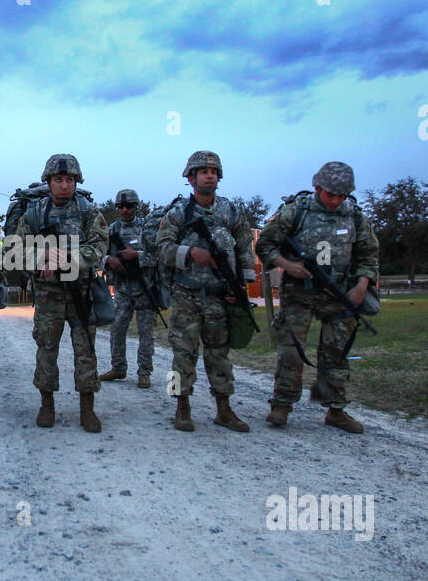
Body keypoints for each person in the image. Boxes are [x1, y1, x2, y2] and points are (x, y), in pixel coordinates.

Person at [256, 161, 380, 432]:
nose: (335, 200)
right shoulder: (295, 212)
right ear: (317, 188)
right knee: (291, 352)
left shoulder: (355, 216)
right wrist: (288, 266)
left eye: (341, 195)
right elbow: (265, 244)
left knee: (336, 352)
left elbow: (368, 254)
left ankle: (335, 409)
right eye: (330, 194)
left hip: (339, 294)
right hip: (299, 294)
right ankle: (282, 405)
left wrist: (361, 286)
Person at [155, 151, 255, 433]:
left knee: (219, 354)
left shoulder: (230, 211)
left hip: (220, 295)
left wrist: (242, 285)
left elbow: (244, 247)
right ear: (191, 178)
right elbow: (162, 249)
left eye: (214, 171)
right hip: (186, 294)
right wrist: (190, 253)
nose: (210, 175)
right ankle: (182, 406)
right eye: (203, 171)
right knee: (183, 353)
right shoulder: (177, 214)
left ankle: (224, 408)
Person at [16, 153, 105, 433]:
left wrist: (66, 258)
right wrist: (43, 257)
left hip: (81, 292)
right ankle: (47, 404)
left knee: (86, 351)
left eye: (69, 180)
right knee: (46, 349)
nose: (64, 185)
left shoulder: (89, 211)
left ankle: (87, 407)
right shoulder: (33, 213)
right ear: (49, 181)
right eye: (58, 180)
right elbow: (15, 251)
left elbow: (99, 247)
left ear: (76, 182)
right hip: (48, 295)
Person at [100, 188, 157, 388]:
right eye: (121, 206)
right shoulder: (111, 230)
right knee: (116, 329)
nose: (125, 210)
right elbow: (97, 254)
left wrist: (137, 255)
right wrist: (110, 260)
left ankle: (144, 372)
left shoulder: (146, 229)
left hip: (144, 287)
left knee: (146, 332)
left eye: (129, 206)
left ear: (136, 207)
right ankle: (118, 368)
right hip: (122, 288)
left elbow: (158, 256)